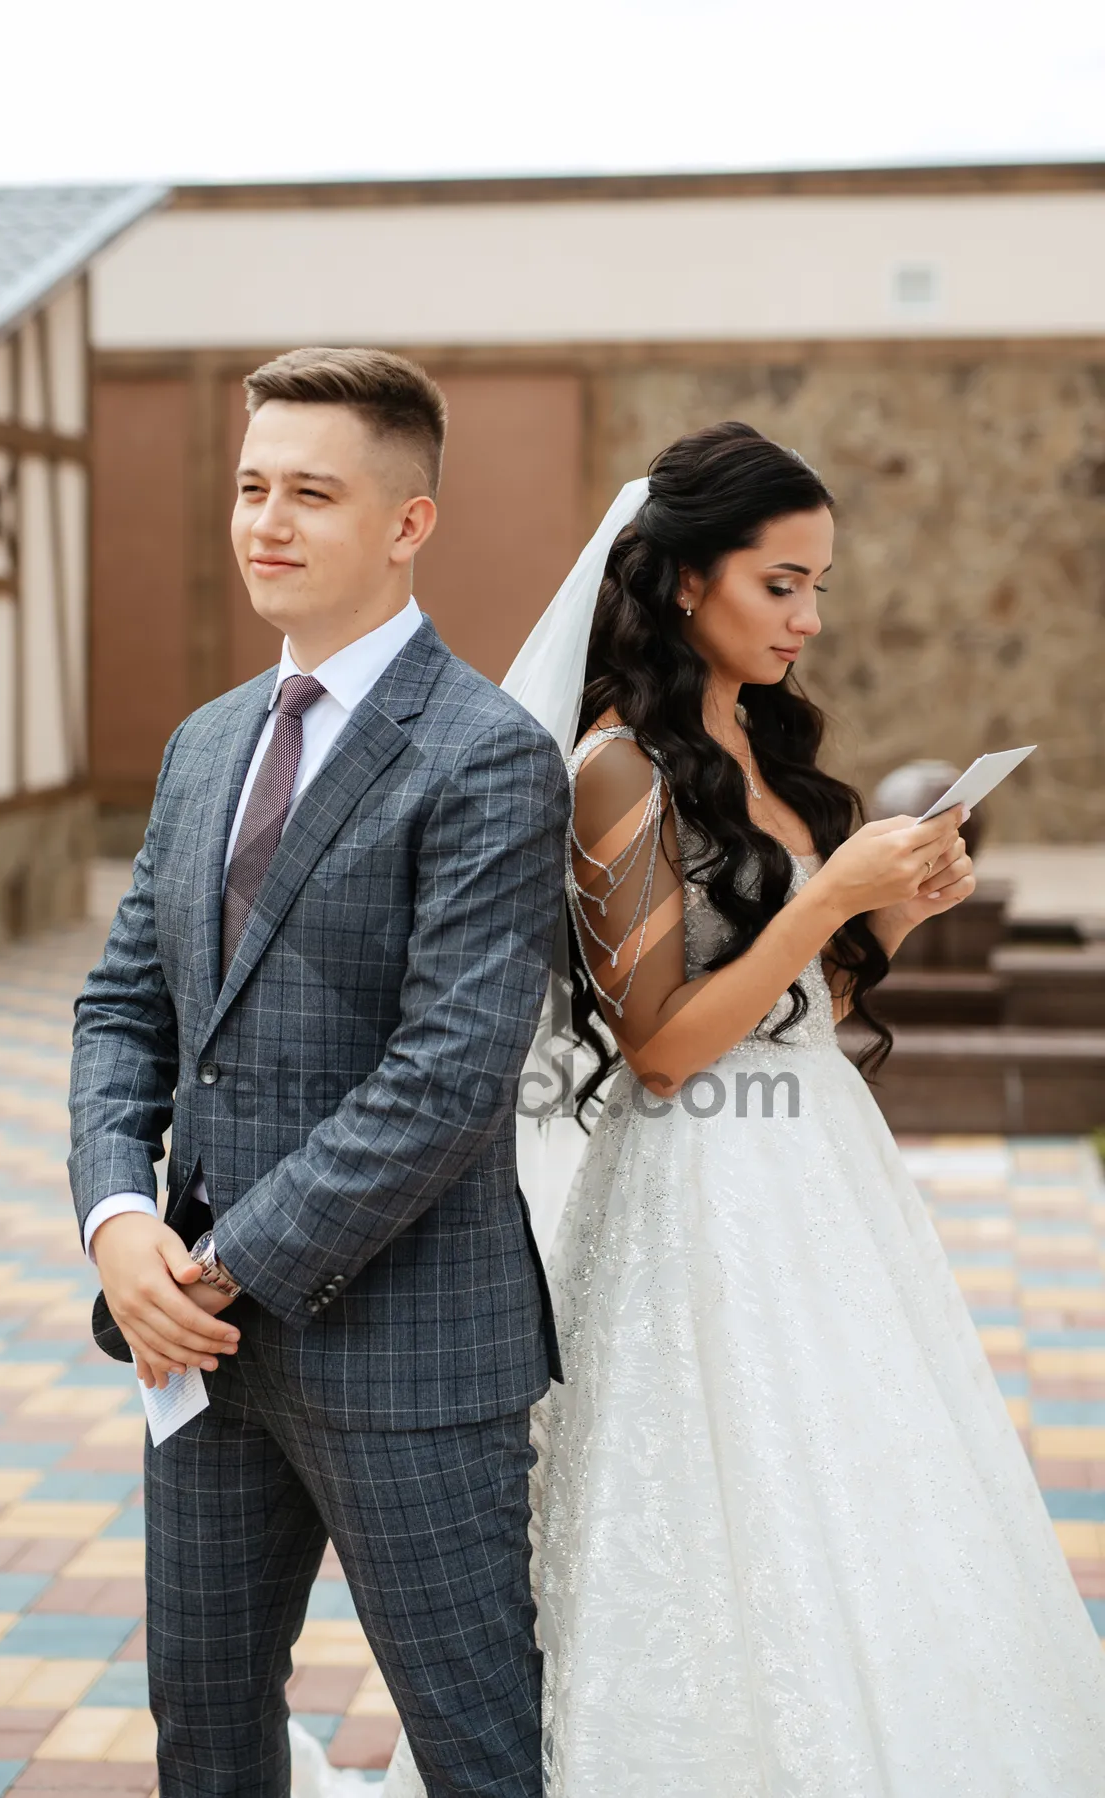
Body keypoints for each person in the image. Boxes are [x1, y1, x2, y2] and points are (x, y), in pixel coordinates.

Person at [385, 422, 1105, 1796]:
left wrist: (887, 909)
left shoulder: (753, 745)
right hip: (700, 1196)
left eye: (819, 584)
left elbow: (804, 1004)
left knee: (866, 1473)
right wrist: (829, 894)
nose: (808, 616)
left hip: (822, 1174)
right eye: (780, 582)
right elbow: (659, 1044)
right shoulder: (612, 769)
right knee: (727, 1491)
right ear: (681, 581)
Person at [68, 347, 569, 1798]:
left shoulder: (487, 756)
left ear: (410, 522)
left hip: (408, 1350)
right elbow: (120, 1008)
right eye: (248, 485)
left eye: (310, 492)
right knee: (204, 1735)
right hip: (197, 1359)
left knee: (478, 1747)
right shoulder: (203, 743)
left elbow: (446, 1080)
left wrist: (209, 1267)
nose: (264, 521)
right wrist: (117, 1225)